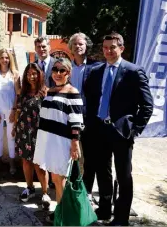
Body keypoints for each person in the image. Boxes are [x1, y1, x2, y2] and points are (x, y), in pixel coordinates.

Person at [83, 32, 153, 226]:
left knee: (124, 175)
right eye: (105, 48)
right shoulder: (96, 71)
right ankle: (104, 209)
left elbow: (147, 105)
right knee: (102, 171)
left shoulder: (133, 71)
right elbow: (91, 99)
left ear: (121, 48)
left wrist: (134, 129)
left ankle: (121, 218)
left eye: (112, 47)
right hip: (99, 130)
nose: (108, 51)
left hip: (121, 132)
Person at [32, 58, 84, 223]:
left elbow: (76, 120)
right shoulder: (51, 91)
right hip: (47, 139)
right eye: (55, 69)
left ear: (69, 73)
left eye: (63, 70)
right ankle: (61, 210)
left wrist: (75, 143)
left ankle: (63, 216)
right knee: (56, 179)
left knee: (60, 180)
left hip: (61, 142)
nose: (58, 73)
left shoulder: (72, 92)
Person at [68, 32, 101, 206]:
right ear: (71, 48)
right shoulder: (66, 68)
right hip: (69, 117)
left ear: (86, 46)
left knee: (89, 156)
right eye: (75, 44)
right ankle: (72, 185)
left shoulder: (96, 67)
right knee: (70, 154)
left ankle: (87, 189)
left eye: (81, 44)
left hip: (89, 118)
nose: (78, 46)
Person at [12, 63, 51, 209]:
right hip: (23, 131)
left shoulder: (45, 93)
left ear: (39, 75)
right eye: (28, 74)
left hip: (39, 133)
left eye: (34, 74)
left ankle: (45, 193)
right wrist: (15, 128)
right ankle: (30, 188)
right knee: (26, 162)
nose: (31, 77)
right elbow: (18, 111)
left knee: (40, 164)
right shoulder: (22, 92)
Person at [0, 48, 20, 175]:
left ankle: (12, 162)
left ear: (10, 59)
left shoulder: (15, 74)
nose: (4, 60)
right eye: (2, 57)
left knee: (11, 136)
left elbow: (18, 94)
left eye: (7, 57)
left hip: (11, 110)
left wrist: (14, 111)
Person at [33, 35, 56, 189]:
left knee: (53, 146)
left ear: (49, 47)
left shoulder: (58, 64)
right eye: (38, 47)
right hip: (36, 113)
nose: (41, 49)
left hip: (54, 111)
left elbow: (65, 85)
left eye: (44, 47)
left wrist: (50, 90)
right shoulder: (32, 66)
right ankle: (41, 178)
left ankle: (54, 179)